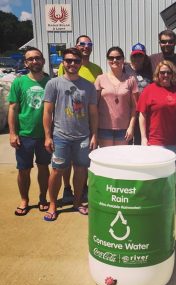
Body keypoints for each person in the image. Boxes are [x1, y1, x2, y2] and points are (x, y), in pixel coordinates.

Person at [43, 48, 98, 221]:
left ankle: (77, 202)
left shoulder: (89, 86)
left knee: (81, 170)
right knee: (57, 171)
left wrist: (94, 135)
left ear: (81, 62)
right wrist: (47, 136)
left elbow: (94, 113)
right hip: (61, 136)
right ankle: (52, 204)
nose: (72, 64)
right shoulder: (54, 83)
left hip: (83, 136)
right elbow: (47, 112)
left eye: (76, 60)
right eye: (68, 60)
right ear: (63, 63)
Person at [8, 47, 51, 216]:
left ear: (43, 61)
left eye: (37, 58)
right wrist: (12, 133)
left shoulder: (50, 82)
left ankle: (42, 197)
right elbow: (13, 108)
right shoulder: (19, 82)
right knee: (24, 169)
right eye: (31, 59)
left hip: (44, 136)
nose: (35, 61)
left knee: (43, 168)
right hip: (24, 135)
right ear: (26, 63)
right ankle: (24, 199)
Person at [58, 35, 102, 199]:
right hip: (68, 119)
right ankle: (67, 187)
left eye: (89, 44)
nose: (85, 46)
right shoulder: (66, 66)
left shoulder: (97, 69)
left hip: (87, 120)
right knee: (67, 160)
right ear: (76, 45)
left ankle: (82, 187)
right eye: (82, 44)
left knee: (83, 159)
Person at [137, 60, 176, 172]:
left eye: (168, 72)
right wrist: (144, 138)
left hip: (175, 142)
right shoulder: (149, 90)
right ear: (157, 74)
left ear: (173, 74)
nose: (165, 75)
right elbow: (142, 115)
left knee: (174, 173)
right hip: (155, 141)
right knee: (156, 173)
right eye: (162, 72)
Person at [94, 47, 138, 147]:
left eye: (118, 57)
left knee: (121, 159)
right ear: (108, 60)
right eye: (111, 58)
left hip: (124, 129)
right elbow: (94, 106)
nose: (115, 60)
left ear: (123, 59)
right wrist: (94, 130)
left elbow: (134, 107)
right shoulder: (100, 79)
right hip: (104, 128)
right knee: (107, 159)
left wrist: (131, 127)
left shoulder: (131, 80)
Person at [124, 42, 152, 145]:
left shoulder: (149, 71)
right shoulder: (124, 69)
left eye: (140, 55)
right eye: (135, 55)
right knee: (127, 139)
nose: (137, 58)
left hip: (144, 112)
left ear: (144, 57)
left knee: (141, 139)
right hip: (128, 111)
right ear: (131, 56)